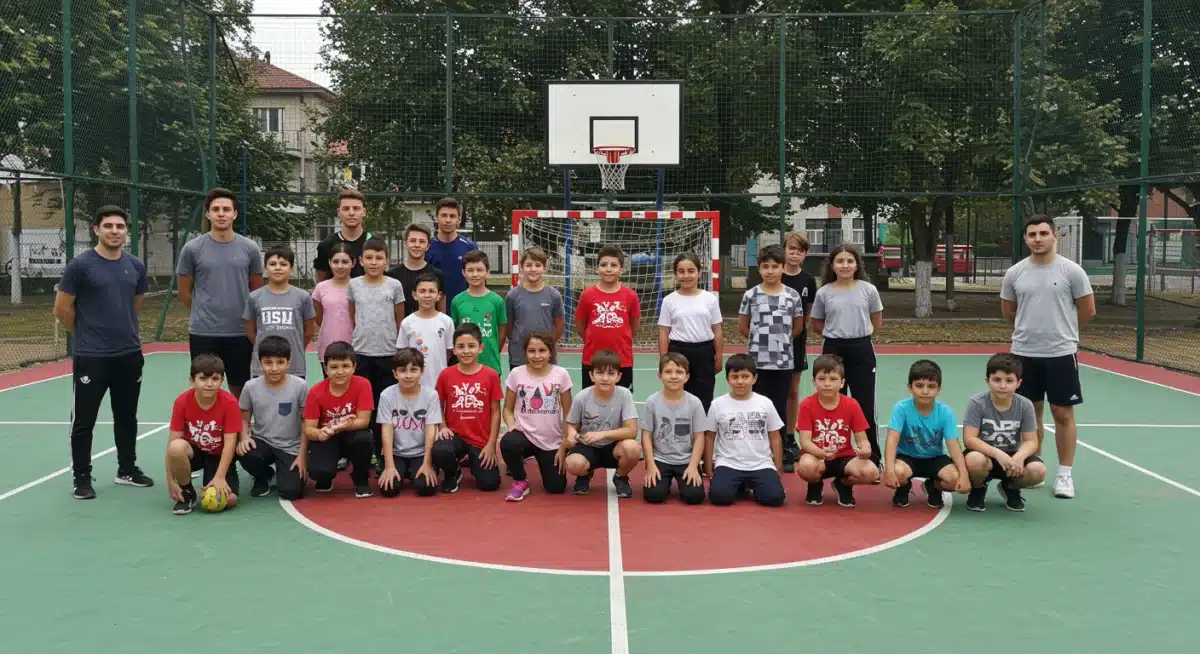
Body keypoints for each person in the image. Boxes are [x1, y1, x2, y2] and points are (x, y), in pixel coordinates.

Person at [55, 205, 154, 499]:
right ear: (96, 229)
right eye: (108, 226)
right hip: (92, 358)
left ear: (127, 231)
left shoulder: (135, 266)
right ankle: (82, 477)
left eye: (120, 226)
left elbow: (134, 306)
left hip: (129, 355)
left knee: (127, 416)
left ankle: (127, 469)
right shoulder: (80, 266)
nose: (114, 231)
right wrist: (85, 336)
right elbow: (62, 309)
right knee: (84, 420)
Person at [1000, 215, 1095, 499]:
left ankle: (1065, 474)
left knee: (1063, 413)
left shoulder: (1072, 271)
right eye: (1032, 234)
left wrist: (1063, 332)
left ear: (1055, 235)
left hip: (1061, 354)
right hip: (1024, 354)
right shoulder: (1015, 273)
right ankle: (1035, 466)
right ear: (1025, 238)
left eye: (1043, 233)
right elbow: (1009, 312)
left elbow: (1087, 310)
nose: (1038, 239)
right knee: (1030, 413)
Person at [176, 188, 264, 399]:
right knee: (204, 388)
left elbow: (257, 291)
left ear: (235, 213)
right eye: (216, 209)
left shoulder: (250, 248)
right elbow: (184, 292)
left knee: (240, 389)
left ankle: (238, 422)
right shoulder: (192, 249)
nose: (221, 214)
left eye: (226, 209)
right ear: (208, 214)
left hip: (240, 332)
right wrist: (204, 311)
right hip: (203, 332)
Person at [810, 243, 884, 467]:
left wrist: (857, 334)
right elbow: (816, 323)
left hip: (862, 349)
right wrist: (835, 334)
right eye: (840, 261)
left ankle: (872, 457)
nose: (845, 265)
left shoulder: (868, 290)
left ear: (857, 264)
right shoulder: (824, 292)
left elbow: (877, 320)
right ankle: (835, 456)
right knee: (831, 404)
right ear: (832, 265)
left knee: (865, 406)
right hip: (833, 350)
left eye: (850, 261)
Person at [738, 244, 804, 471]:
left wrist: (779, 341)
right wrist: (761, 342)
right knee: (755, 407)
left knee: (778, 407)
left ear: (783, 268)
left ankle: (780, 451)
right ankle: (756, 451)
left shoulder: (792, 296)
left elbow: (797, 327)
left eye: (775, 266)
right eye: (765, 266)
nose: (770, 271)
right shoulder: (751, 295)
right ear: (759, 269)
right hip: (757, 363)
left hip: (783, 362)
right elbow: (743, 327)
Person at [962, 353, 1047, 512]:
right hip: (985, 455)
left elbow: (1031, 441)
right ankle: (978, 489)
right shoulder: (977, 403)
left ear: (1018, 383)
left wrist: (1019, 457)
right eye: (997, 380)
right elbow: (970, 439)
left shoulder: (1025, 405)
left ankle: (1010, 487)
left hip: (1012, 457)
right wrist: (997, 454)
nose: (1002, 386)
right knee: (974, 460)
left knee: (1038, 470)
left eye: (1009, 381)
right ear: (987, 381)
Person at [882, 359, 970, 508]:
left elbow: (953, 445)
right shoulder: (901, 408)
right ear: (910, 388)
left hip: (934, 457)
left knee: (954, 479)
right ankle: (903, 487)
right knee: (897, 472)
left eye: (931, 386)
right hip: (907, 457)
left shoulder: (945, 412)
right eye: (919, 385)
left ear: (938, 389)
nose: (925, 391)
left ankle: (934, 486)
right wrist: (889, 470)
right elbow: (892, 440)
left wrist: (964, 475)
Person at [795, 354, 879, 508]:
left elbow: (862, 439)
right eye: (822, 379)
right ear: (814, 382)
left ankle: (843, 484)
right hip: (816, 455)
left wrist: (865, 450)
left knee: (871, 472)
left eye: (833, 379)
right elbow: (805, 441)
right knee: (807, 466)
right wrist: (821, 453)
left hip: (844, 457)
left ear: (842, 383)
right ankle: (815, 484)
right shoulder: (807, 405)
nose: (827, 384)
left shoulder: (852, 405)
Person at [347, 238, 405, 459]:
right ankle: (366, 449)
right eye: (369, 258)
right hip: (362, 353)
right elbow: (353, 315)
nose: (373, 262)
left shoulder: (394, 285)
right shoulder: (354, 285)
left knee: (385, 403)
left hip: (388, 353)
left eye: (379, 258)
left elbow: (399, 320)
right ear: (361, 260)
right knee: (364, 403)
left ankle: (384, 450)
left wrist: (396, 346)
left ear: (386, 261)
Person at [499, 332, 573, 501]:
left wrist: (563, 444)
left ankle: (545, 460)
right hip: (525, 435)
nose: (537, 355)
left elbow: (568, 412)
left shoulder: (561, 374)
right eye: (532, 351)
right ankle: (520, 480)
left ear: (550, 352)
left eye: (542, 350)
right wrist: (511, 425)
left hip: (551, 441)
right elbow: (507, 409)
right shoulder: (517, 374)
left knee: (555, 487)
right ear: (525, 353)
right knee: (509, 441)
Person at [706, 354, 787, 507]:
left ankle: (755, 486)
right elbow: (710, 436)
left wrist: (778, 467)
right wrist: (709, 467)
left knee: (774, 498)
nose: (740, 381)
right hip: (728, 463)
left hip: (761, 464)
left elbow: (775, 436)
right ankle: (740, 486)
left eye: (745, 376)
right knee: (719, 497)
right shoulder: (717, 404)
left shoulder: (765, 403)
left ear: (754, 379)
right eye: (735, 377)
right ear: (727, 379)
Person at [164, 354, 241, 515]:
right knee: (176, 447)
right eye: (203, 378)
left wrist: (220, 477)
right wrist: (171, 481)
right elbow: (172, 443)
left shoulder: (230, 403)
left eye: (215, 379)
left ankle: (216, 478)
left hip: (219, 456)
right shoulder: (182, 402)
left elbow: (230, 443)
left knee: (229, 500)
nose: (209, 384)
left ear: (222, 380)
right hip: (195, 453)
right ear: (192, 380)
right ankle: (187, 492)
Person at [432, 324, 504, 493]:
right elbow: (437, 405)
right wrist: (443, 426)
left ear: (481, 348)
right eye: (461, 346)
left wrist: (491, 444)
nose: (466, 351)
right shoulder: (446, 375)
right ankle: (453, 472)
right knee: (440, 451)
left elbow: (495, 412)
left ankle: (474, 461)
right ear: (454, 350)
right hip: (454, 436)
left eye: (471, 346)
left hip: (480, 440)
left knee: (489, 484)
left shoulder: (491, 375)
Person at [236, 336, 309, 500]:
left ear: (288, 363)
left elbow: (306, 423)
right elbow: (243, 419)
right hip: (262, 442)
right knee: (243, 450)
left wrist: (302, 456)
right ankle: (264, 476)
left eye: (280, 362)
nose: (274, 368)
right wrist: (244, 437)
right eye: (268, 362)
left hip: (291, 447)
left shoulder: (300, 386)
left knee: (291, 492)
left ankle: (284, 472)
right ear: (260, 363)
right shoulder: (250, 387)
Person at [564, 349, 641, 499]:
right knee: (573, 463)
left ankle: (620, 476)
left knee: (632, 448)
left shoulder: (624, 395)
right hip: (587, 446)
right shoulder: (582, 397)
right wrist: (571, 433)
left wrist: (602, 435)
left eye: (611, 373)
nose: (605, 378)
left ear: (618, 376)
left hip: (614, 446)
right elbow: (571, 425)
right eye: (600, 373)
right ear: (591, 375)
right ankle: (585, 474)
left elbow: (631, 431)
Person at [302, 341, 375, 498]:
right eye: (334, 367)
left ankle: (361, 478)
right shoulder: (316, 392)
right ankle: (325, 477)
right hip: (327, 436)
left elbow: (364, 421)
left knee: (364, 438)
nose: (340, 371)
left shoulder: (363, 384)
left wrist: (340, 426)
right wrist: (319, 433)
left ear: (354, 367)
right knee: (319, 471)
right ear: (326, 369)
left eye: (345, 366)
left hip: (351, 433)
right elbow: (308, 428)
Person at [657, 253, 723, 412]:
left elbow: (717, 330)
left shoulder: (710, 299)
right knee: (677, 394)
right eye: (681, 271)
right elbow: (664, 332)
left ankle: (702, 427)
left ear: (699, 273)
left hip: (704, 352)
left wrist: (719, 356)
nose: (686, 275)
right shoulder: (669, 300)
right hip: (678, 351)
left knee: (704, 397)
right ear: (676, 274)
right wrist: (664, 359)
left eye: (691, 271)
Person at [641, 353, 709, 505]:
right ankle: (663, 483)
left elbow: (699, 437)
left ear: (687, 377)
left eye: (679, 372)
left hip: (686, 459)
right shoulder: (652, 402)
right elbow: (646, 435)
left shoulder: (695, 403)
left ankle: (684, 479)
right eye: (668, 372)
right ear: (659, 375)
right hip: (660, 458)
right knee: (654, 495)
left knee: (695, 496)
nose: (673, 376)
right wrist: (650, 465)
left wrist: (693, 466)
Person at [242, 245, 315, 380]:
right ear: (265, 269)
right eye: (272, 264)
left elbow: (309, 331)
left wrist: (296, 347)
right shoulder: (254, 297)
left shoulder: (303, 296)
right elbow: (251, 332)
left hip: (294, 366)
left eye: (283, 264)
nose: (277, 268)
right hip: (263, 367)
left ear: (292, 269)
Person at [377, 348, 440, 498]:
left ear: (422, 371)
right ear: (395, 373)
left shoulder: (431, 395)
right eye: (402, 370)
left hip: (420, 453)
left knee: (426, 488)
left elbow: (431, 430)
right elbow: (386, 430)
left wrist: (427, 464)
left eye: (413, 370)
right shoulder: (387, 395)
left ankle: (416, 470)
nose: (408, 375)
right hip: (397, 453)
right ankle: (394, 469)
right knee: (388, 490)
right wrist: (389, 466)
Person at [576, 245, 640, 390]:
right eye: (604, 265)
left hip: (622, 360)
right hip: (592, 359)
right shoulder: (587, 295)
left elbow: (634, 326)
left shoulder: (630, 296)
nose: (608, 269)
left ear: (621, 269)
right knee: (591, 400)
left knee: (622, 400)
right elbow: (580, 325)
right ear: (597, 268)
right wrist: (592, 339)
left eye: (614, 265)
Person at [782, 231, 818, 471]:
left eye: (800, 250)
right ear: (784, 249)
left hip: (795, 340)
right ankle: (771, 435)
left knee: (793, 389)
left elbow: (807, 314)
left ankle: (789, 436)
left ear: (805, 255)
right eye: (791, 249)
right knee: (770, 387)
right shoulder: (775, 274)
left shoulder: (808, 281)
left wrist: (795, 332)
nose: (794, 253)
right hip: (771, 341)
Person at [505, 246, 565, 372]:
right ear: (521, 267)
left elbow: (559, 327)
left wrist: (546, 345)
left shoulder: (554, 295)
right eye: (528, 265)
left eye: (537, 265)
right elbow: (509, 328)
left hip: (545, 357)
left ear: (544, 267)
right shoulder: (512, 296)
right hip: (519, 356)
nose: (533, 269)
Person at [450, 250, 507, 375]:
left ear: (488, 272)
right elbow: (455, 331)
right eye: (470, 270)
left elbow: (502, 334)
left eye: (479, 270)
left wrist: (492, 352)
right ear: (463, 273)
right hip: (464, 365)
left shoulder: (497, 301)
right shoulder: (457, 301)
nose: (475, 274)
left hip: (490, 364)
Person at [396, 272, 455, 388]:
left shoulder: (446, 322)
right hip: (414, 383)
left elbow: (449, 351)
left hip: (439, 381)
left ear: (439, 295)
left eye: (431, 291)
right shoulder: (407, 323)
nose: (427, 295)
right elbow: (402, 351)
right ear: (414, 295)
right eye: (422, 291)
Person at [425, 196, 478, 307]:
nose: (448, 220)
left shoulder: (469, 247)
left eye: (452, 216)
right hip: (433, 310)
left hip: (464, 308)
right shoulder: (427, 247)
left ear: (459, 220)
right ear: (436, 218)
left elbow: (478, 281)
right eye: (444, 215)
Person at [311, 243, 355, 377]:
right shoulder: (321, 288)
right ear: (329, 262)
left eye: (345, 262)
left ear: (353, 263)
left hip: (355, 347)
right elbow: (319, 318)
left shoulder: (359, 287)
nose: (340, 266)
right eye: (335, 262)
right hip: (328, 346)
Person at [313, 189, 372, 282]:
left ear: (364, 212)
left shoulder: (374, 243)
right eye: (346, 209)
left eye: (356, 208)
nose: (351, 213)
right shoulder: (326, 245)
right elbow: (320, 283)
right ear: (338, 212)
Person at [387, 222, 446, 315]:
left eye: (422, 241)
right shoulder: (392, 275)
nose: (417, 245)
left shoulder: (437, 275)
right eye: (413, 241)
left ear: (427, 246)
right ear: (405, 244)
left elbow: (441, 311)